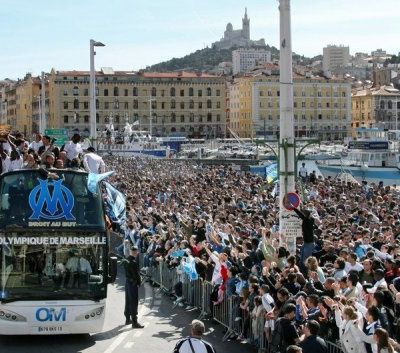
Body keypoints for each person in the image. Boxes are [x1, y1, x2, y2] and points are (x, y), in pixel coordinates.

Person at [122, 245, 144, 328]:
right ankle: (134, 322)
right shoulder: (133, 262)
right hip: (133, 284)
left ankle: (127, 319)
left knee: (128, 300)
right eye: (137, 252)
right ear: (135, 252)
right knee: (133, 302)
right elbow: (136, 275)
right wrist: (139, 282)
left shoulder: (126, 260)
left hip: (127, 282)